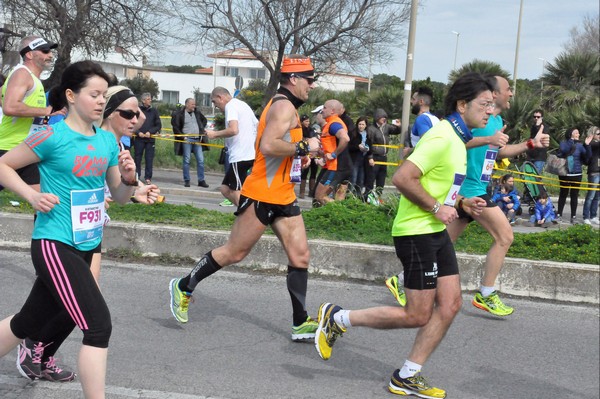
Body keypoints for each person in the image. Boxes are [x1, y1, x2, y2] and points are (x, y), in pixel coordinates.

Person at [313, 72, 491, 399]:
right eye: (485, 104)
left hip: (434, 230)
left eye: (492, 106)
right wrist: (438, 207)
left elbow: (438, 184)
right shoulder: (441, 136)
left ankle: (407, 375)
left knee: (450, 305)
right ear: (463, 104)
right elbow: (403, 177)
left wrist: (461, 202)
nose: (490, 112)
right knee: (417, 314)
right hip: (416, 232)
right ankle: (337, 318)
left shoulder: (456, 139)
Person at [0, 60, 139, 399]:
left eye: (104, 96)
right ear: (71, 95)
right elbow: (3, 165)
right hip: (54, 242)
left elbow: (119, 196)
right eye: (94, 94)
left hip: (87, 243)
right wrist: (31, 194)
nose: (100, 102)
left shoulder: (107, 142)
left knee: (26, 323)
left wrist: (131, 180)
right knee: (98, 326)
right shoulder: (52, 135)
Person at [13, 84, 162, 384]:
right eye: (128, 114)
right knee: (84, 307)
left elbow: (115, 188)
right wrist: (36, 197)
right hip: (60, 233)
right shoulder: (74, 136)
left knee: (59, 306)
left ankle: (40, 350)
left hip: (90, 232)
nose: (136, 120)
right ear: (109, 113)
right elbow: (45, 175)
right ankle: (34, 347)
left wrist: (137, 190)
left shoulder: (115, 146)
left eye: (138, 114)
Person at [168, 55, 321, 342]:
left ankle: (300, 322)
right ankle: (184, 286)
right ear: (294, 79)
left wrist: (302, 156)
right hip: (262, 193)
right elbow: (267, 145)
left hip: (283, 193)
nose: (312, 86)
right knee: (234, 253)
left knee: (300, 255)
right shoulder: (283, 106)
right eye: (309, 80)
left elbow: (282, 149)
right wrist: (302, 146)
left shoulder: (291, 107)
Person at [442, 75, 549, 317]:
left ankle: (405, 279)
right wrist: (489, 138)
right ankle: (486, 294)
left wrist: (531, 144)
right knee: (505, 235)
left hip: (476, 186)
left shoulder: (496, 120)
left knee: (443, 242)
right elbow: (457, 141)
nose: (511, 94)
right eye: (508, 89)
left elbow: (498, 152)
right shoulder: (478, 119)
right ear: (494, 93)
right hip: (468, 187)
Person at [0, 36, 64, 192]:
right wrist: (46, 111)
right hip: (9, 147)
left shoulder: (32, 79)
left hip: (26, 148)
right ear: (29, 54)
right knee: (46, 200)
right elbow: (10, 107)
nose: (50, 55)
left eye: (51, 52)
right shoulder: (22, 74)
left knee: (45, 201)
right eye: (45, 51)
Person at [206, 86, 257, 206]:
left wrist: (214, 134)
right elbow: (258, 126)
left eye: (214, 101)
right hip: (248, 154)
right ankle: (245, 211)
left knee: (235, 191)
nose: (215, 106)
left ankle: (248, 217)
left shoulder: (231, 106)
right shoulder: (243, 105)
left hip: (240, 156)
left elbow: (234, 130)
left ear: (220, 97)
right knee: (224, 188)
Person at [313, 99, 349, 206]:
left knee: (320, 196)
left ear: (332, 111)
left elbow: (345, 138)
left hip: (336, 166)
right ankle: (339, 218)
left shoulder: (334, 123)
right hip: (338, 166)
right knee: (338, 198)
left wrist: (334, 154)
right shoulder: (330, 123)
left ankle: (346, 213)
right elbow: (331, 144)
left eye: (324, 108)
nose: (322, 111)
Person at [364, 108, 401, 203]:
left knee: (381, 179)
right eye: (382, 117)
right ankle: (366, 199)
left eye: (385, 117)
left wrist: (398, 126)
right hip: (374, 157)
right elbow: (368, 144)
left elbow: (397, 131)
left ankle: (378, 199)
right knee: (371, 179)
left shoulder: (386, 127)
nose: (384, 119)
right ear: (377, 118)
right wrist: (370, 157)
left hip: (384, 157)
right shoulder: (371, 129)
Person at [171, 98, 210, 188]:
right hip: (187, 140)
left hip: (197, 140)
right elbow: (175, 126)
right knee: (187, 160)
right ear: (187, 104)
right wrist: (182, 136)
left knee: (201, 160)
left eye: (194, 104)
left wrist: (201, 128)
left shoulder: (197, 112)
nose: (194, 106)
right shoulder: (180, 114)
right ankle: (187, 180)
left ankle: (201, 180)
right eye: (192, 104)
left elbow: (204, 120)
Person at [556, 128, 588, 224]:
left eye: (578, 132)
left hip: (577, 174)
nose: (578, 134)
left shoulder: (580, 145)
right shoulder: (564, 143)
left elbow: (586, 157)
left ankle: (573, 216)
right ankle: (559, 215)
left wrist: (587, 145)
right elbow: (562, 151)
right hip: (565, 173)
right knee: (563, 194)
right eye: (576, 133)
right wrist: (572, 141)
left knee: (574, 196)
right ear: (570, 134)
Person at [133, 93, 161, 184]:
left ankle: (148, 177)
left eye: (150, 98)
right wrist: (138, 132)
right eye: (148, 99)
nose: (150, 100)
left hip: (150, 139)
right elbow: (132, 123)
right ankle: (137, 176)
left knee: (149, 159)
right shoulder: (138, 111)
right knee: (137, 158)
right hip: (139, 139)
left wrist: (150, 132)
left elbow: (158, 125)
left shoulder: (154, 111)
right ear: (143, 100)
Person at [348, 116, 371, 195]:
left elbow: (370, 145)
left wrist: (367, 148)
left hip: (363, 159)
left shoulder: (367, 135)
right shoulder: (353, 134)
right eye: (359, 124)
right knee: (353, 179)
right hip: (354, 159)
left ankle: (358, 197)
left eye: (363, 124)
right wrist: (358, 147)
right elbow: (349, 146)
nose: (361, 126)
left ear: (366, 125)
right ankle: (349, 196)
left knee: (360, 180)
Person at [583, 126, 600, 225]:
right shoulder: (592, 144)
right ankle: (586, 216)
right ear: (592, 135)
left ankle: (593, 215)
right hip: (594, 172)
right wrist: (587, 144)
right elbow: (588, 157)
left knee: (597, 197)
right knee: (591, 195)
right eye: (598, 134)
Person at [299, 114, 318, 198]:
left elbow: (314, 138)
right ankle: (302, 192)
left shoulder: (311, 130)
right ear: (302, 122)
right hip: (305, 153)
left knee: (314, 172)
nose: (307, 123)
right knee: (305, 172)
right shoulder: (299, 130)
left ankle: (311, 191)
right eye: (306, 121)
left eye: (308, 121)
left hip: (313, 153)